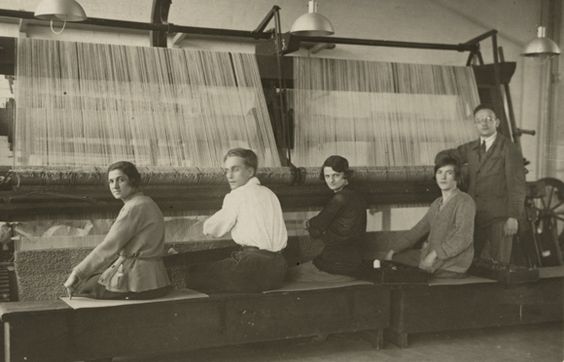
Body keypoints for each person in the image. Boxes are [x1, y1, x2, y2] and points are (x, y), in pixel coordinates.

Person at [63, 161, 171, 299]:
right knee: (95, 279)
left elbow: (108, 247)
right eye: (111, 181)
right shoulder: (147, 202)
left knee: (82, 288)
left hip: (137, 283)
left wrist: (77, 274)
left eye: (121, 180)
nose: (115, 186)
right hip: (157, 280)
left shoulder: (133, 207)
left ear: (133, 181)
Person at [185, 148, 288, 293]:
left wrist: (200, 224)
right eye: (226, 170)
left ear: (250, 172)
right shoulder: (269, 193)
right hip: (278, 269)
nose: (229, 176)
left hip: (252, 267)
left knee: (194, 273)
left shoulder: (237, 195)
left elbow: (213, 229)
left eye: (235, 169)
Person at [436, 104, 526, 265]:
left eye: (488, 119)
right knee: (470, 264)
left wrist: (513, 217)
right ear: (475, 125)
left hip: (499, 217)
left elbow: (517, 186)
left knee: (500, 265)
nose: (484, 123)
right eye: (479, 120)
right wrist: (449, 171)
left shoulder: (509, 149)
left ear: (497, 122)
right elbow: (444, 156)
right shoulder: (471, 148)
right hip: (474, 215)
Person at [385, 157, 476, 278]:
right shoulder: (437, 203)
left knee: (406, 276)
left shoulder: (465, 201)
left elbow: (463, 238)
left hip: (453, 264)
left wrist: (434, 254)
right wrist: (394, 249)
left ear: (457, 177)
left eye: (448, 173)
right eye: (439, 172)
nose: (443, 177)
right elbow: (418, 230)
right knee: (395, 260)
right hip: (434, 258)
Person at [301, 155, 367, 277]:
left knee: (296, 274)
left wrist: (308, 224)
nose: (331, 181)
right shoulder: (356, 195)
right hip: (355, 259)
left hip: (338, 261)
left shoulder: (340, 198)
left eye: (336, 175)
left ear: (345, 175)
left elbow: (318, 224)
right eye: (327, 176)